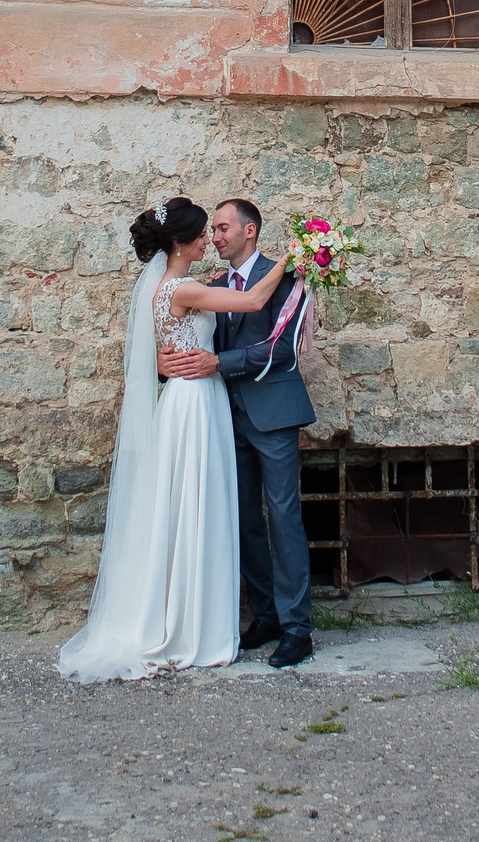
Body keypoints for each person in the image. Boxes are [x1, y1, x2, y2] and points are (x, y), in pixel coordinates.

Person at [56, 195, 293, 683]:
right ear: (182, 243)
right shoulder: (183, 288)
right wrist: (293, 260)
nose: (210, 240)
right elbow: (252, 301)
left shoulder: (171, 287)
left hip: (192, 398)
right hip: (194, 403)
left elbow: (179, 340)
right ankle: (191, 625)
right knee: (195, 505)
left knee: (188, 505)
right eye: (204, 233)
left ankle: (188, 615)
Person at [157, 197, 317, 669]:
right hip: (225, 417)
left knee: (283, 518)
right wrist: (165, 363)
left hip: (274, 414)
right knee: (244, 519)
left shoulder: (285, 277)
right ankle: (266, 615)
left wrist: (218, 363)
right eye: (213, 230)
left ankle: (297, 629)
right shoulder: (212, 286)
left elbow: (284, 348)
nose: (215, 237)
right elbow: (189, 337)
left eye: (224, 228)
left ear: (250, 231)